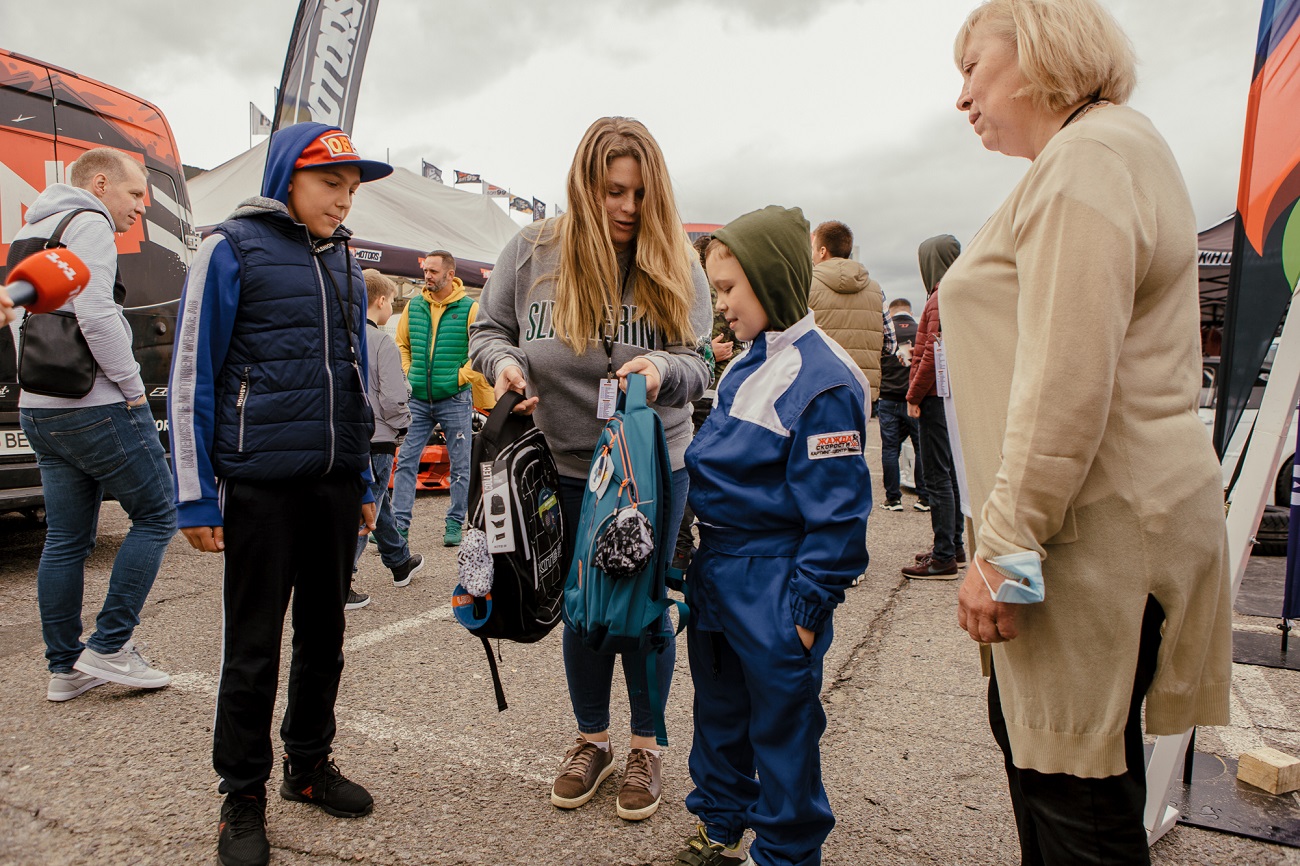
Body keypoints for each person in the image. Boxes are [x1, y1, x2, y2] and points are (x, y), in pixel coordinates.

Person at [944, 1, 1231, 862]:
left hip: (1086, 536)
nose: (962, 96)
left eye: (971, 67)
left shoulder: (1087, 160)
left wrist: (1005, 546)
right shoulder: (1098, 153)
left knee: (1074, 799)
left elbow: (1065, 383)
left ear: (1036, 52)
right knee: (1065, 779)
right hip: (1089, 526)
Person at [470, 116, 711, 822]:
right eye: (612, 192)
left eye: (639, 193)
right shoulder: (531, 251)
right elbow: (488, 331)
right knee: (582, 610)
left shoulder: (678, 260)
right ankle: (592, 740)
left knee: (639, 611)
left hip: (649, 470)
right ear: (584, 185)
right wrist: (504, 365)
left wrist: (663, 367)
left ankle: (646, 745)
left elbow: (701, 362)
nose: (628, 208)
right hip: (562, 466)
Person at [169, 122, 390, 866]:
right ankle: (242, 794)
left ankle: (307, 765)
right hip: (260, 485)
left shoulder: (346, 266)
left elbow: (354, 378)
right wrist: (196, 497)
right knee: (254, 645)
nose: (344, 198)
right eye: (332, 183)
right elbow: (192, 375)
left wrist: (362, 476)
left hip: (332, 484)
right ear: (287, 177)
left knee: (325, 636)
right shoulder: (228, 248)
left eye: (352, 188)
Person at [676, 205, 870, 866]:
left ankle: (786, 854)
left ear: (773, 277)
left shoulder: (824, 380)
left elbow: (838, 514)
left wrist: (807, 612)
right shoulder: (743, 366)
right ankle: (721, 820)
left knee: (783, 734)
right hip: (721, 577)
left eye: (729, 288)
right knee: (721, 717)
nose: (721, 304)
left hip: (775, 582)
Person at [12, 147, 176, 703]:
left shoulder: (34, 230)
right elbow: (96, 311)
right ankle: (109, 646)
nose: (140, 208)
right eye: (134, 195)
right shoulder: (90, 223)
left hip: (40, 405)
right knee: (158, 514)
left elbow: (24, 320)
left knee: (65, 538)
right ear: (100, 184)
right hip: (94, 405)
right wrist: (132, 388)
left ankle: (65, 668)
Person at [392, 250, 488, 547]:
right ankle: (399, 525)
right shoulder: (414, 305)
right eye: (426, 270)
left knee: (461, 465)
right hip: (418, 399)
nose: (427, 276)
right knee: (406, 461)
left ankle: (454, 522)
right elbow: (401, 343)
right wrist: (409, 373)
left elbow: (481, 349)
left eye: (433, 271)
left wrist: (461, 377)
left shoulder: (470, 308)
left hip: (455, 398)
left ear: (450, 274)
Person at [351, 269, 424, 607]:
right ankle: (341, 577)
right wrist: (404, 423)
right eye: (392, 302)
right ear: (381, 301)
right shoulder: (381, 340)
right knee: (368, 507)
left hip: (350, 435)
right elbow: (394, 396)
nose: (391, 308)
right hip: (379, 434)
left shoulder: (343, 336)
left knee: (378, 502)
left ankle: (399, 561)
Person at [673, 232, 738, 570]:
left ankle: (682, 547)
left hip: (704, 391)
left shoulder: (697, 287)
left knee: (692, 468)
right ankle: (682, 547)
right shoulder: (699, 288)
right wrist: (711, 351)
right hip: (705, 390)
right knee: (695, 468)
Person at [903, 236, 966, 577]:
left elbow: (932, 352)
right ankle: (952, 546)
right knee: (950, 473)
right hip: (951, 396)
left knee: (937, 476)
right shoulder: (956, 293)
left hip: (934, 397)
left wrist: (913, 394)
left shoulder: (940, 297)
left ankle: (943, 556)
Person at [808, 220, 883, 404]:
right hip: (860, 392)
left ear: (822, 251)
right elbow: (890, 343)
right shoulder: (876, 290)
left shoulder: (805, 285)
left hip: (816, 388)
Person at [877, 298, 926, 512]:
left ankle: (893, 499)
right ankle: (924, 498)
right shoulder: (919, 330)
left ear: (892, 311)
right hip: (913, 398)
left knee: (890, 449)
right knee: (920, 448)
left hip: (887, 397)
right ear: (910, 311)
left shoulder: (885, 331)